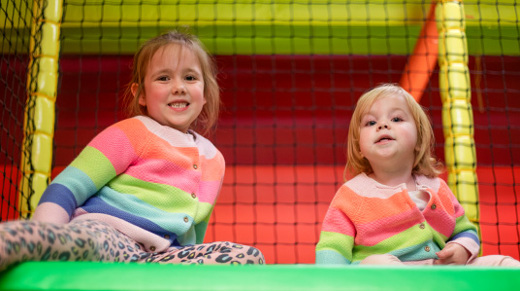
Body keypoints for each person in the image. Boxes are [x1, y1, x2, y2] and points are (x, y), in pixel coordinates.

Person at [0, 30, 264, 270]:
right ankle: (13, 242)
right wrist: (47, 233)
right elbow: (68, 187)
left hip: (157, 259)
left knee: (247, 257)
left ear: (204, 92)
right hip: (106, 236)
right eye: (163, 78)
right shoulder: (134, 132)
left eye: (190, 77)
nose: (178, 87)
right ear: (141, 95)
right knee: (82, 240)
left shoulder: (213, 159)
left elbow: (193, 231)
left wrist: (191, 268)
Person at [315, 83, 520, 266]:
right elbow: (332, 247)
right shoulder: (353, 194)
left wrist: (461, 248)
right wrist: (332, 283)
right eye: (370, 122)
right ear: (360, 147)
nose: (383, 125)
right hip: (380, 278)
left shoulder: (437, 187)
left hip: (439, 273)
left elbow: (465, 230)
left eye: (396, 118)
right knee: (379, 264)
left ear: (419, 140)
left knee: (504, 264)